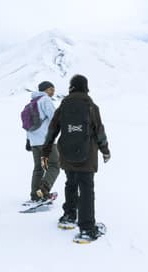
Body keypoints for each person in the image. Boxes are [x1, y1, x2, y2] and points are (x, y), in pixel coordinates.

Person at [41, 74, 111, 241]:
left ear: (71, 87)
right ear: (86, 88)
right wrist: (105, 150)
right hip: (87, 155)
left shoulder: (64, 105)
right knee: (86, 189)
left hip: (66, 153)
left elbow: (52, 129)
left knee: (70, 183)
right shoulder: (91, 106)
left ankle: (69, 216)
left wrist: (46, 150)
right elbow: (99, 131)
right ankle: (87, 228)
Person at [25, 81, 60, 203]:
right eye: (51, 89)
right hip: (46, 141)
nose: (53, 91)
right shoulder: (45, 100)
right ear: (45, 90)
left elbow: (28, 125)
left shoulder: (31, 103)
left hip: (34, 141)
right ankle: (43, 192)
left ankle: (35, 195)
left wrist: (28, 140)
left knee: (38, 168)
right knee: (55, 165)